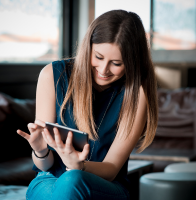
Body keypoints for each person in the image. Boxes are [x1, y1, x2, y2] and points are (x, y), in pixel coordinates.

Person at [17, 10, 158, 200]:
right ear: (88, 47)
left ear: (132, 63)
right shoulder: (51, 75)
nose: (103, 70)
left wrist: (78, 166)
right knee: (63, 186)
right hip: (49, 179)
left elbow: (111, 169)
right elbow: (44, 166)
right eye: (98, 57)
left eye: (116, 63)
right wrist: (40, 150)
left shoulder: (136, 94)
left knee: (72, 180)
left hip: (105, 185)